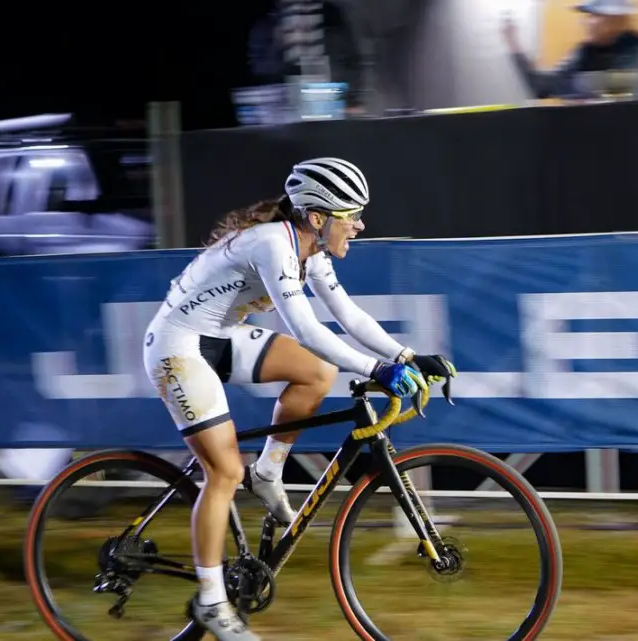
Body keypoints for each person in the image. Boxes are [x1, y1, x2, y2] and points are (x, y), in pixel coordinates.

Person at [142, 157, 457, 640]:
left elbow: (348, 316)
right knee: (224, 471)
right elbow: (306, 328)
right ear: (317, 217)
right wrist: (378, 370)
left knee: (317, 373)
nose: (359, 224)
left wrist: (408, 355)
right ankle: (209, 601)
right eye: (351, 213)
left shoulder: (311, 252)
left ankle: (268, 470)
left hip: (220, 337)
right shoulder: (273, 244)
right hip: (176, 346)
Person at [502, 0, 638, 100]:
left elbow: (637, 89)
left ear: (616, 20)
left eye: (593, 16)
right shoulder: (584, 53)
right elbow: (542, 88)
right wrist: (514, 44)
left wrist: (583, 90)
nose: (585, 22)